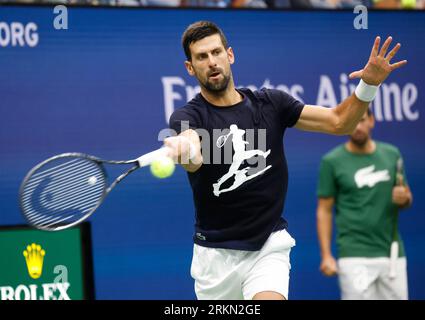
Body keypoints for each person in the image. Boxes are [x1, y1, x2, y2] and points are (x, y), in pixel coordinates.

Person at [163, 21, 407, 300]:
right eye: (202, 57)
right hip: (214, 257)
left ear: (230, 55)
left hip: (268, 245)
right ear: (190, 68)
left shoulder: (271, 104)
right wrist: (187, 150)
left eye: (216, 52)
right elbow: (192, 155)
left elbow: (340, 122)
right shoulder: (186, 118)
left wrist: (369, 84)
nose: (212, 62)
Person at [316, 109, 413, 300]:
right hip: (354, 255)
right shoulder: (331, 161)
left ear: (372, 121)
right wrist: (326, 255)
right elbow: (324, 210)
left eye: (361, 120)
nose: (357, 127)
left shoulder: (392, 155)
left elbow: (406, 197)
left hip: (392, 254)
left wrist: (405, 198)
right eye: (352, 122)